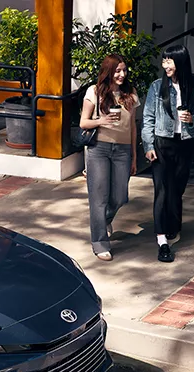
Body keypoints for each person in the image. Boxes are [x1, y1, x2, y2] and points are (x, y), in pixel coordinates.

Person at [141, 44, 194, 263]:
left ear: (180, 62)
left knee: (176, 190)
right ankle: (162, 241)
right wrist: (149, 146)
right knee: (161, 191)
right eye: (163, 61)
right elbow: (148, 118)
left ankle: (174, 225)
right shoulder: (156, 87)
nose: (165, 65)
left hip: (185, 143)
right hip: (162, 143)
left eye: (169, 61)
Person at [79, 54, 140, 261]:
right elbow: (83, 123)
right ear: (108, 72)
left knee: (120, 195)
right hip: (99, 149)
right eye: (117, 70)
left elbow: (132, 127)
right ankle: (99, 243)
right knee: (99, 198)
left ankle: (104, 220)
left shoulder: (130, 93)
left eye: (124, 70)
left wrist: (134, 156)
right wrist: (101, 121)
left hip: (122, 150)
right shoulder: (94, 92)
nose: (122, 74)